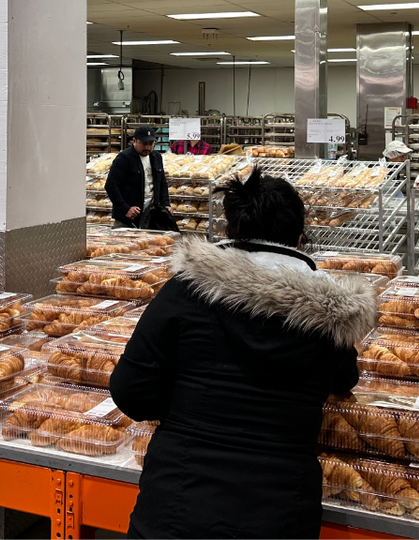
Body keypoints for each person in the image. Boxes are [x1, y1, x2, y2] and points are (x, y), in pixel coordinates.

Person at [110, 168, 377, 538]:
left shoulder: (186, 291)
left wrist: (188, 409)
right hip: (280, 512)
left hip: (177, 504)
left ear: (231, 232)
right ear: (299, 240)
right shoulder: (332, 317)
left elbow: (130, 391)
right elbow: (345, 379)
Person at [105, 126, 170, 228]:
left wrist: (166, 204)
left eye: (151, 144)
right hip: (128, 219)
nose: (147, 147)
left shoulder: (156, 157)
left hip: (152, 216)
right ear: (134, 141)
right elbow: (111, 185)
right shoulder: (124, 158)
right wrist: (125, 208)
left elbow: (162, 183)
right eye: (144, 143)